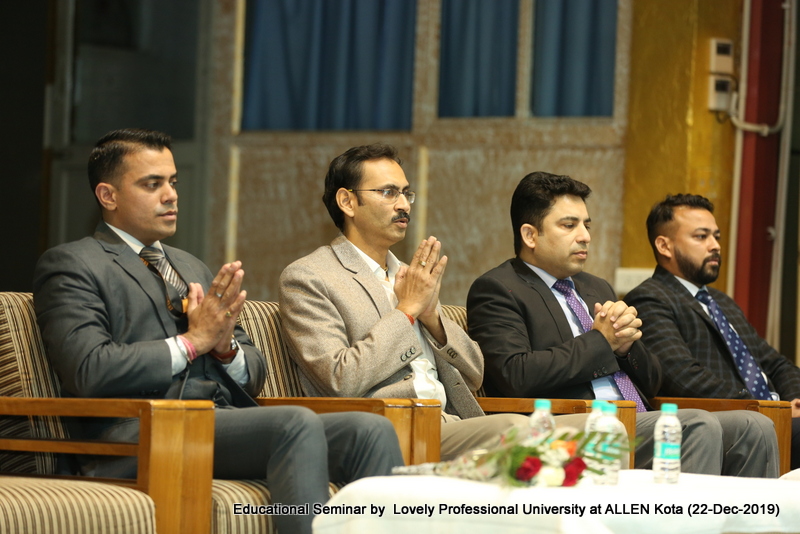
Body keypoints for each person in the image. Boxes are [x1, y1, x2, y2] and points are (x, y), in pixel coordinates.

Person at [32, 129, 403, 534]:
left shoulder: (190, 266)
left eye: (173, 182)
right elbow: (88, 369)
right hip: (140, 432)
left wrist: (226, 348)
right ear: (108, 195)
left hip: (219, 423)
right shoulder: (73, 264)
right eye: (152, 184)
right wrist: (192, 343)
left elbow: (255, 373)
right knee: (294, 423)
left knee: (369, 429)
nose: (171, 195)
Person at [466, 172, 779, 477]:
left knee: (754, 426)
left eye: (586, 225)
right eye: (569, 225)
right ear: (530, 235)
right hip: (575, 425)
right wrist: (601, 342)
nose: (585, 236)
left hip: (634, 417)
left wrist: (627, 348)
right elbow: (516, 375)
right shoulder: (499, 288)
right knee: (697, 426)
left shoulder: (595, 287)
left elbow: (653, 383)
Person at [280, 143, 556, 461]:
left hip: (451, 422)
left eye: (405, 193)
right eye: (388, 192)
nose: (403, 205)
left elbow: (474, 374)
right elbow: (341, 379)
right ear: (347, 201)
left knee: (591, 430)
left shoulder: (409, 276)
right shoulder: (309, 277)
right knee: (522, 433)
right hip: (389, 429)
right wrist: (406, 311)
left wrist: (431, 319)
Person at [626, 193, 800, 470]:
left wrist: (793, 399)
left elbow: (775, 363)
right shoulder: (650, 299)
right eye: (701, 236)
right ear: (664, 246)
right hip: (731, 421)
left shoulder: (721, 302)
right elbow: (683, 377)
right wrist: (768, 405)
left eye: (716, 236)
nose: (715, 245)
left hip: (772, 414)